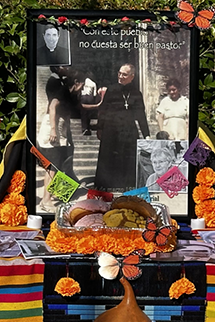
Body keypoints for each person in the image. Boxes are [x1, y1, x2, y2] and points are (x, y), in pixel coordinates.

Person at [94, 63, 149, 192]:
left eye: (124, 74)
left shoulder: (136, 94)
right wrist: (99, 128)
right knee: (108, 158)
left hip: (128, 131)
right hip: (110, 129)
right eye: (119, 73)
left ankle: (127, 186)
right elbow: (103, 110)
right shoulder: (111, 90)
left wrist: (146, 133)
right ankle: (106, 186)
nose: (120, 76)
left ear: (132, 76)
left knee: (127, 159)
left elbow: (141, 114)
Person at [37, 68, 83, 211]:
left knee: (59, 164)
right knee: (52, 166)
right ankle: (45, 200)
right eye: (82, 85)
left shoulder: (69, 94)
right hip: (53, 127)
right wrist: (53, 129)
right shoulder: (62, 90)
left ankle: (56, 194)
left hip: (61, 129)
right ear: (76, 83)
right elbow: (52, 107)